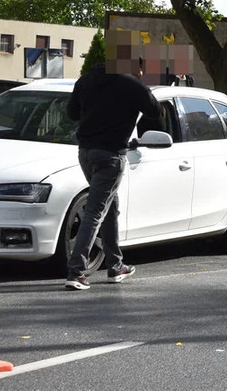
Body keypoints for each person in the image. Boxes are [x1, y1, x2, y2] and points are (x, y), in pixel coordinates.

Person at [64, 53, 160, 290]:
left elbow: (71, 113)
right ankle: (76, 271)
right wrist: (139, 81)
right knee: (96, 211)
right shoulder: (131, 84)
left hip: (86, 153)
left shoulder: (87, 79)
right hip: (111, 156)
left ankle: (115, 265)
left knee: (109, 206)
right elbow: (155, 111)